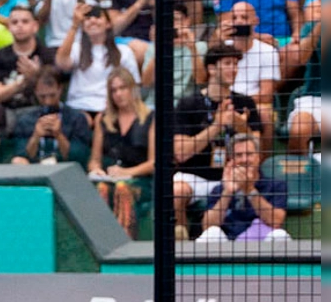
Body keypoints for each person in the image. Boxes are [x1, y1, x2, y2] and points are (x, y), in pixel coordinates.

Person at [172, 43, 262, 240]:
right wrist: (216, 127)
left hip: (233, 173)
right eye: (228, 63)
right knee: (176, 191)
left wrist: (240, 126)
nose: (234, 69)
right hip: (195, 175)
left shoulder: (245, 103)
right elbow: (180, 152)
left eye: (236, 64)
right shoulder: (189, 104)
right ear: (212, 69)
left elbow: (258, 148)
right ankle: (179, 245)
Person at [88, 68, 156, 238]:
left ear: (133, 89)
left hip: (140, 180)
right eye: (114, 90)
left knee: (122, 187)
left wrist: (126, 172)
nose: (118, 94)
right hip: (109, 179)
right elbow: (94, 159)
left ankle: (124, 241)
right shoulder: (103, 119)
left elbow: (154, 163)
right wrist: (96, 169)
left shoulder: (150, 117)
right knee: (102, 187)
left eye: (122, 88)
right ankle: (100, 240)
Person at [195, 133, 289, 243]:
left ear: (258, 157)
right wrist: (228, 192)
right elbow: (207, 226)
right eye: (239, 155)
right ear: (231, 159)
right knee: (211, 233)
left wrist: (249, 190)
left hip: (261, 245)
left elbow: (276, 221)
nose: (244, 159)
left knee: (280, 235)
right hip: (227, 245)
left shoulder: (275, 186)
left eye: (249, 154)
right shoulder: (220, 189)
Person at [56, 2, 140, 117]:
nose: (93, 21)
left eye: (98, 17)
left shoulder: (124, 51)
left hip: (111, 108)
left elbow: (134, 84)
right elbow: (61, 62)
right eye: (88, 18)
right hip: (78, 107)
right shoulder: (76, 48)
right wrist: (74, 25)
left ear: (108, 24)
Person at [11, 66, 92, 165]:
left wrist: (59, 135)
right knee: (17, 161)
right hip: (35, 168)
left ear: (60, 89)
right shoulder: (26, 120)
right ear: (36, 92)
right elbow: (23, 154)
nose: (48, 101)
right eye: (42, 96)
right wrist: (36, 136)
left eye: (52, 95)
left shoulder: (76, 118)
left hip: (65, 169)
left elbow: (79, 157)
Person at [0, 4, 54, 112]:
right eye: (14, 22)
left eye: (25, 21)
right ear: (8, 27)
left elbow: (53, 96)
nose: (19, 26)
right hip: (5, 114)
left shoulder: (48, 55)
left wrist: (38, 76)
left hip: (40, 112)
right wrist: (23, 82)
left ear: (35, 26)